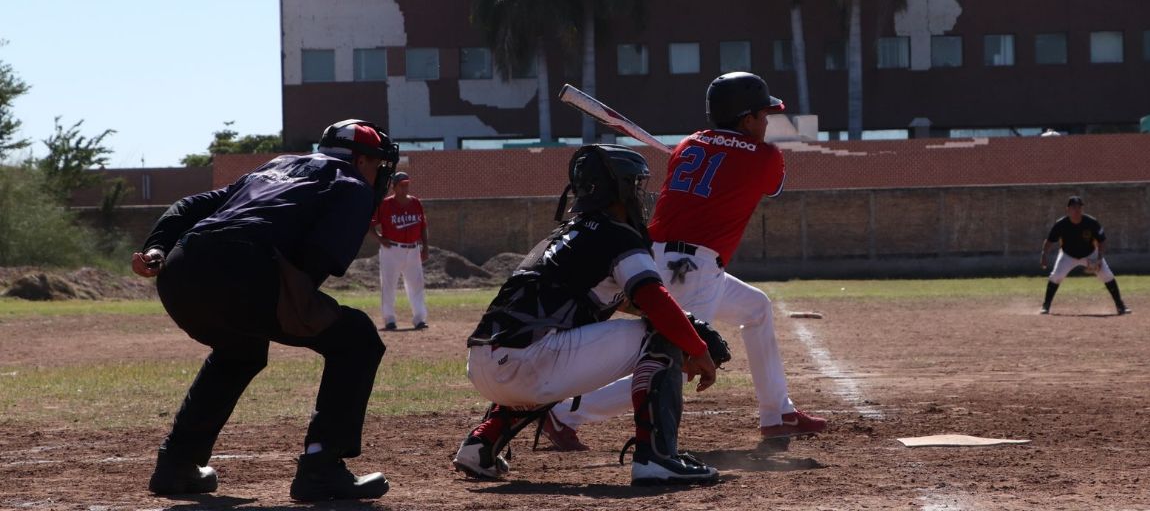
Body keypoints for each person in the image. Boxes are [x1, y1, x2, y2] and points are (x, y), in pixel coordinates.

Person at [540, 72, 827, 452]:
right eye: (762, 115)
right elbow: (772, 188)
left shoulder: (689, 145)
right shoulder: (765, 157)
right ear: (745, 120)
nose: (766, 122)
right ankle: (564, 415)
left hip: (660, 257)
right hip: (692, 269)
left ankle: (777, 413)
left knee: (756, 307)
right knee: (670, 360)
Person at [130, 119, 400, 502]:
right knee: (356, 339)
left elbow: (190, 205)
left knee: (239, 351)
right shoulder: (352, 186)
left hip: (179, 267)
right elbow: (314, 262)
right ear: (360, 160)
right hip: (243, 267)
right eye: (377, 165)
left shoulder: (279, 165)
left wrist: (157, 247)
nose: (379, 175)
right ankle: (321, 468)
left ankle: (177, 464)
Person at [452, 144, 722, 486]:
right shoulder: (615, 234)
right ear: (619, 188)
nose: (640, 194)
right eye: (635, 185)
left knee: (559, 346)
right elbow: (652, 298)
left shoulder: (567, 235)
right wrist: (694, 346)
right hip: (528, 362)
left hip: (485, 365)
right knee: (660, 334)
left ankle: (481, 444)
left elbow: (618, 299)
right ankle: (657, 457)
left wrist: (686, 324)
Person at [1039, 195, 1131, 315]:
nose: (1077, 210)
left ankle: (1120, 306)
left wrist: (1099, 258)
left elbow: (1102, 240)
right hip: (1068, 255)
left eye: (1079, 207)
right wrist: (1044, 254)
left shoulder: (1091, 222)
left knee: (1107, 275)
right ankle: (1045, 306)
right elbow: (1050, 240)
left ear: (1082, 209)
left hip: (1090, 253)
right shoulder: (1061, 224)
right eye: (1074, 207)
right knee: (1056, 276)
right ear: (1068, 209)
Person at [370, 170, 429, 331]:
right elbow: (370, 225)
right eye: (402, 185)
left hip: (413, 250)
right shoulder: (385, 204)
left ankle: (419, 319)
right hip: (392, 250)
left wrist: (425, 248)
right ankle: (389, 319)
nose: (405, 188)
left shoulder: (415, 202)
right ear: (394, 187)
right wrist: (380, 238)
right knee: (388, 286)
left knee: (416, 285)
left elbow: (422, 227)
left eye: (407, 185)